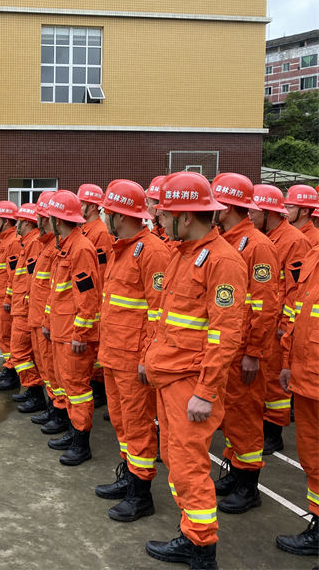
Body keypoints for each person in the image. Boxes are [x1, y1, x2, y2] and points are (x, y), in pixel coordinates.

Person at [143, 172, 247, 570]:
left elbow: (225, 335)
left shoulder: (222, 261)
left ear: (186, 217)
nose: (160, 219)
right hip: (170, 379)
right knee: (175, 461)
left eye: (166, 213)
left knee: (189, 467)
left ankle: (202, 550)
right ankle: (191, 533)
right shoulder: (182, 253)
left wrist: (205, 392)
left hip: (190, 384)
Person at [93, 179, 169, 521]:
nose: (104, 217)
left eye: (107, 212)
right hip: (114, 353)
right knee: (123, 422)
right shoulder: (122, 246)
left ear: (119, 215)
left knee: (138, 424)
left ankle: (141, 494)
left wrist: (146, 358)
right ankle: (129, 478)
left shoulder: (152, 251)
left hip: (133, 359)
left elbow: (159, 313)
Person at [210, 174, 280, 515]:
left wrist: (253, 352)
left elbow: (265, 307)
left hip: (246, 354)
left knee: (247, 417)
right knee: (232, 416)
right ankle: (235, 470)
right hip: (230, 350)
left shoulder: (258, 246)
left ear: (227, 206)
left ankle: (249, 486)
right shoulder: (230, 241)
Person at [41, 190, 101, 466]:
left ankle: (81, 442)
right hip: (61, 329)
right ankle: (72, 430)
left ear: (57, 219)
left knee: (78, 388)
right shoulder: (65, 245)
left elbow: (88, 296)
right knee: (67, 385)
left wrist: (81, 333)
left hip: (72, 334)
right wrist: (48, 322)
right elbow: (58, 292)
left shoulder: (81, 249)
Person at [249, 184, 310, 455]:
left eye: (253, 211)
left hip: (278, 326)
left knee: (275, 381)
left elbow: (297, 290)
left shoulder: (294, 240)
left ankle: (274, 432)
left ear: (266, 211)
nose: (249, 215)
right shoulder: (268, 237)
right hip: (266, 320)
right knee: (265, 379)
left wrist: (285, 326)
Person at [276, 242, 319, 558]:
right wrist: (289, 362)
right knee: (313, 460)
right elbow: (298, 311)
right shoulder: (315, 256)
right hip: (307, 379)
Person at [0, 203, 46, 413]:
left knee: (20, 352)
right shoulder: (28, 243)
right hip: (21, 305)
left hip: (25, 309)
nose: (15, 224)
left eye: (18, 221)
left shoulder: (33, 243)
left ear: (26, 222)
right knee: (21, 352)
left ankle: (36, 393)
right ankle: (32, 390)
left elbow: (32, 281)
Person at [30, 192, 70, 431]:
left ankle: (62, 417)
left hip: (57, 323)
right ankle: (54, 409)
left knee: (59, 376)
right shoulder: (50, 246)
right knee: (48, 370)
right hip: (44, 317)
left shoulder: (67, 248)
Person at [77, 183, 115, 409]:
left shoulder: (100, 232)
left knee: (98, 350)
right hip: (93, 299)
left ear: (90, 206)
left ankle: (100, 390)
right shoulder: (87, 230)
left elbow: (100, 271)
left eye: (81, 203)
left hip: (98, 299)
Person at [0, 201, 22, 384]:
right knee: (4, 338)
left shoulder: (13, 242)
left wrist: (8, 297)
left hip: (4, 301)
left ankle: (13, 373)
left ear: (6, 221)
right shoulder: (5, 240)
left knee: (7, 339)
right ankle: (10, 368)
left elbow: (14, 275)